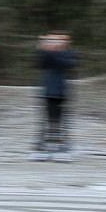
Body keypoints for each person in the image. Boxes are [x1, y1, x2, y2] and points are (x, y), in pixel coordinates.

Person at [32, 32, 77, 161]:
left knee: (61, 122)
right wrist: (42, 47)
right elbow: (40, 63)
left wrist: (56, 49)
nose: (53, 44)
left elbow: (66, 63)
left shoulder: (68, 55)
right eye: (51, 41)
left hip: (62, 93)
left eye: (56, 41)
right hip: (47, 92)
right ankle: (41, 147)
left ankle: (62, 148)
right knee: (45, 122)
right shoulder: (47, 55)